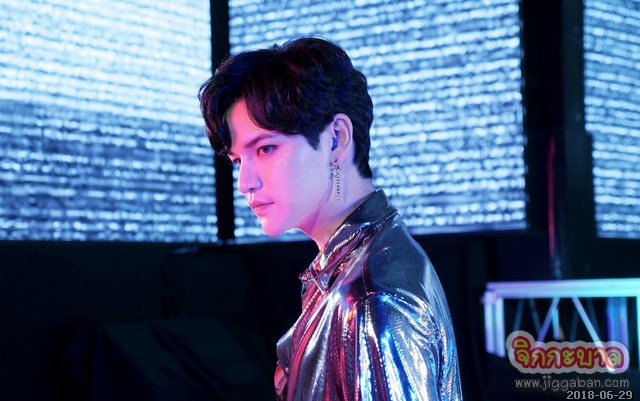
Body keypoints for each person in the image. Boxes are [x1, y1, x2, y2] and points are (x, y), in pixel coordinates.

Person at [198, 37, 463, 401]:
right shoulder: (355, 269)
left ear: (336, 138)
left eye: (266, 148)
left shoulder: (372, 299)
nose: (245, 183)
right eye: (238, 161)